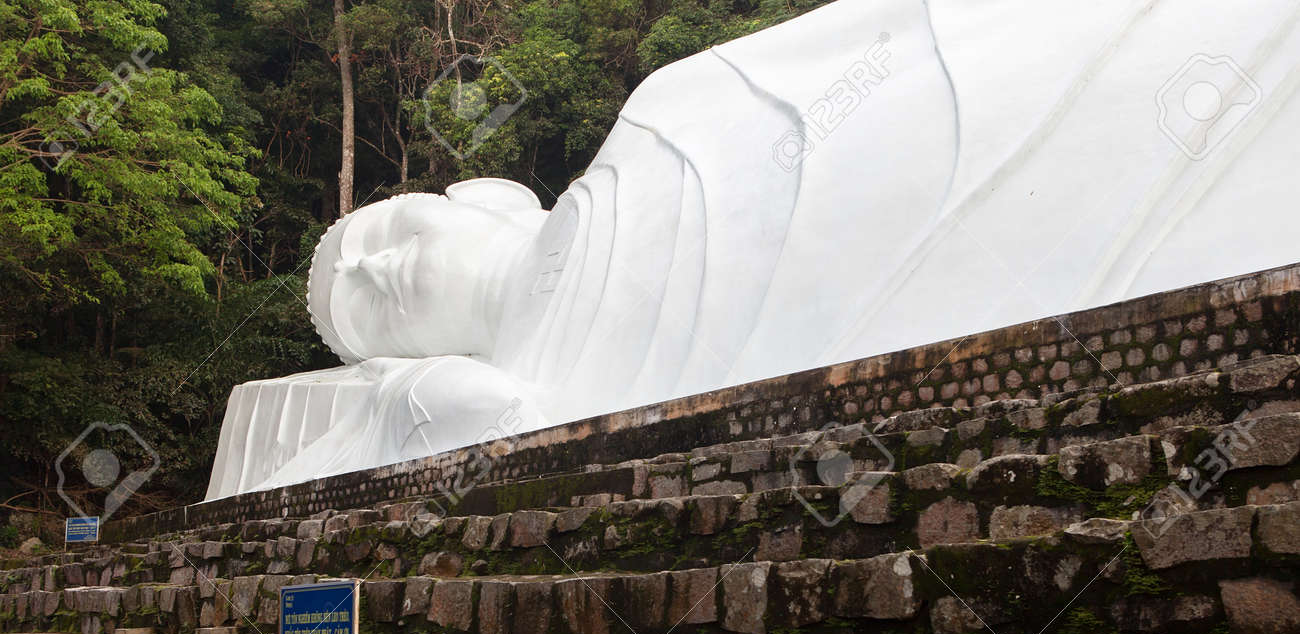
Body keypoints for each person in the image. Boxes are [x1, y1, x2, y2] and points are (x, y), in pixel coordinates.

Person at [208, 0, 1300, 499]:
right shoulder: (502, 386)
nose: (377, 271)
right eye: (367, 312)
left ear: (485, 196)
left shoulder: (668, 106)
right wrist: (415, 399)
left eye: (382, 234)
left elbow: (917, 37)